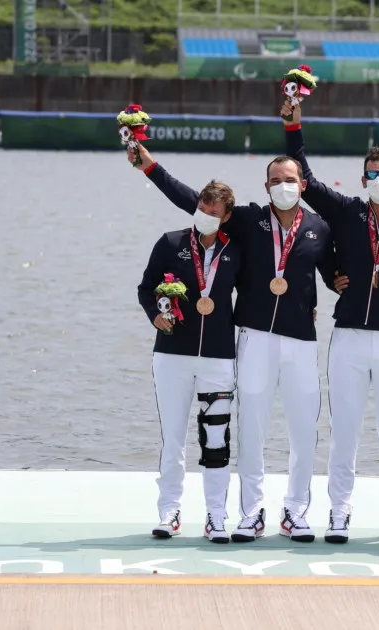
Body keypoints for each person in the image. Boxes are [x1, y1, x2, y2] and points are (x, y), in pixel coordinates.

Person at [129, 144, 337, 544]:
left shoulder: (319, 227)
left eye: (290, 181)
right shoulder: (246, 222)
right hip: (253, 337)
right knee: (251, 432)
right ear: (266, 185)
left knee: (303, 433)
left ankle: (295, 512)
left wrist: (346, 283)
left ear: (302, 185)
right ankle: (251, 512)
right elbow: (196, 201)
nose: (282, 187)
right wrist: (150, 167)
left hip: (301, 342)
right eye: (275, 181)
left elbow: (332, 271)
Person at [281, 99, 379, 544]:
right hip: (348, 336)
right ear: (363, 179)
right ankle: (339, 512)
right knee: (344, 432)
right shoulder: (348, 210)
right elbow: (306, 182)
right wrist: (294, 129)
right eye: (372, 174)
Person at [136, 180, 242, 543]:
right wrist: (155, 314)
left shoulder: (236, 249)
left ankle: (216, 516)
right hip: (172, 355)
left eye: (214, 214)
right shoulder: (170, 243)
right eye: (202, 210)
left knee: (216, 438)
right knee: (173, 438)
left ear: (226, 217)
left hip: (218, 358)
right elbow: (146, 288)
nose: (205, 218)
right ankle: (170, 510)